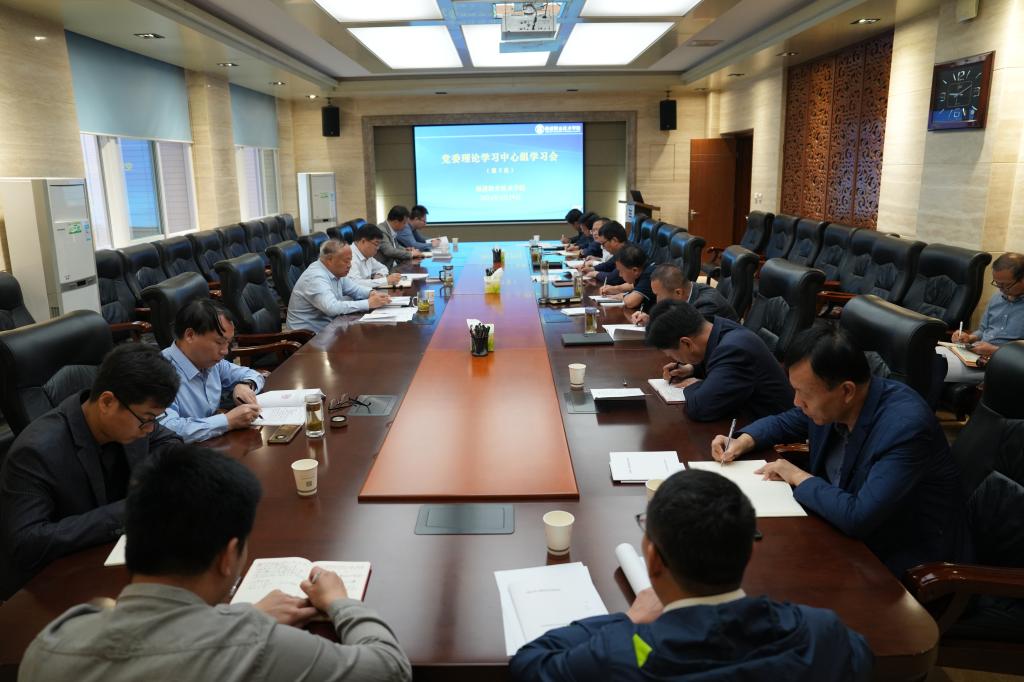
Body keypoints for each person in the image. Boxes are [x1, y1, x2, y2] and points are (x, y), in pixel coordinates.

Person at [18, 443, 413, 681]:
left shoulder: (48, 647)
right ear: (228, 557)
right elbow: (390, 668)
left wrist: (242, 616)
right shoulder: (258, 647)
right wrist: (341, 603)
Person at [509, 469, 873, 681]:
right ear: (749, 551)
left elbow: (530, 663)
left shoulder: (619, 654)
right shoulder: (819, 632)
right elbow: (860, 657)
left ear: (652, 559)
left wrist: (627, 619)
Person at [713, 325, 973, 577]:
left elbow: (859, 517)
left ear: (846, 391)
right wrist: (743, 440)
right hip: (839, 533)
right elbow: (787, 421)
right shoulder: (839, 401)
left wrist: (797, 476)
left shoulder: (905, 428)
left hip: (900, 562)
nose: (797, 401)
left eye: (803, 393)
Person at [0, 344, 182, 599]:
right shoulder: (35, 452)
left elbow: (170, 443)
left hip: (114, 561)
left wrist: (151, 486)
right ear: (107, 402)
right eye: (147, 419)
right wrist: (130, 509)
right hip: (54, 587)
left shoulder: (132, 416)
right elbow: (27, 543)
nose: (150, 429)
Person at [646, 300, 792, 421]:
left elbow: (700, 408)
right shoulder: (719, 327)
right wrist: (691, 369)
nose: (673, 359)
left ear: (686, 343)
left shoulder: (734, 350)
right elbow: (722, 364)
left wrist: (698, 384)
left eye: (672, 354)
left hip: (776, 437)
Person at [161, 299, 266, 443]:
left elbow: (253, 375)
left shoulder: (211, 362)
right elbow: (167, 429)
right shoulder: (159, 373)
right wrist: (227, 421)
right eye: (219, 342)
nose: (225, 351)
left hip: (214, 443)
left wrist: (244, 385)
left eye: (228, 343)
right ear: (190, 335)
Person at [941, 252, 1024, 383]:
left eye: (1005, 285)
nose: (1001, 289)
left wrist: (995, 351)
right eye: (997, 284)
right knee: (935, 358)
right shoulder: (997, 298)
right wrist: (969, 338)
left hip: (1007, 363)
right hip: (977, 355)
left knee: (940, 369)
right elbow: (983, 330)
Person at [287, 239, 391, 333]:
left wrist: (371, 293)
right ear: (329, 260)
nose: (350, 265)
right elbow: (331, 308)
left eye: (350, 260)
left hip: (329, 328)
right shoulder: (316, 277)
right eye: (346, 261)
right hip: (307, 337)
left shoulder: (336, 271)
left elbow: (354, 289)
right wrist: (368, 303)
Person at [631, 263, 737, 326]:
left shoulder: (706, 305)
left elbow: (682, 333)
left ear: (678, 292)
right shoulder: (688, 290)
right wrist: (649, 319)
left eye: (658, 295)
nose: (657, 301)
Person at [599, 243, 655, 311]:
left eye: (621, 271)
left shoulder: (650, 274)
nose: (620, 275)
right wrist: (615, 289)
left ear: (635, 270)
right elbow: (633, 285)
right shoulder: (644, 269)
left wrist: (622, 296)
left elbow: (631, 302)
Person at [376, 205, 425, 270]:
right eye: (404, 223)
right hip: (385, 269)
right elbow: (389, 251)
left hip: (394, 266)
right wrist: (411, 254)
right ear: (396, 222)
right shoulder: (382, 230)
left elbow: (396, 246)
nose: (405, 226)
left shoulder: (391, 229)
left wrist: (406, 250)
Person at [580, 220, 628, 285]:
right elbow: (608, 265)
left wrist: (595, 274)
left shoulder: (628, 254)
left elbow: (613, 278)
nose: (602, 247)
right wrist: (591, 269)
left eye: (603, 244)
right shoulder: (621, 250)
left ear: (614, 240)